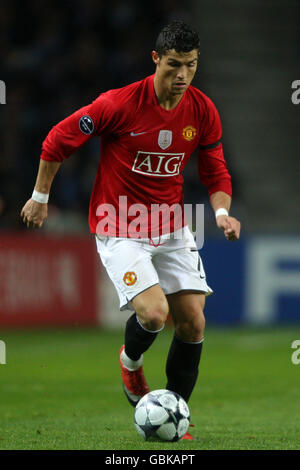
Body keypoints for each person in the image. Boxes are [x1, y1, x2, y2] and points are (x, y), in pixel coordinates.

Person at [21, 20, 241, 440]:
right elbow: (58, 139)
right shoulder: (118, 105)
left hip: (173, 224)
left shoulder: (202, 110)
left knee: (193, 322)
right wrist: (40, 197)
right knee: (156, 314)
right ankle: (131, 364)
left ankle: (176, 416)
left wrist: (220, 214)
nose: (182, 76)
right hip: (119, 224)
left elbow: (215, 171)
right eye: (174, 65)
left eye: (191, 66)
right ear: (155, 59)